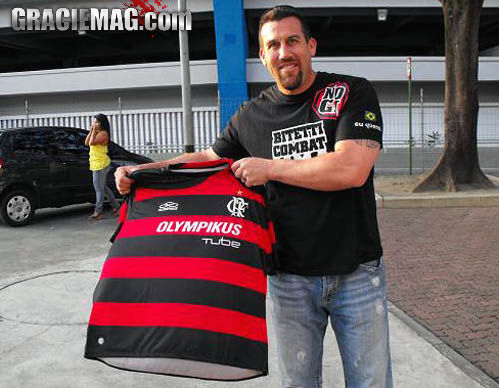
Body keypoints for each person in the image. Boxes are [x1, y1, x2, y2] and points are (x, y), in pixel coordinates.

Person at [115, 5, 392, 387]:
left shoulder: (351, 91)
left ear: (311, 46)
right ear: (262, 56)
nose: (284, 52)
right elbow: (207, 159)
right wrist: (142, 172)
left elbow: (351, 169)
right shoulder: (250, 116)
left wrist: (270, 167)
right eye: (273, 45)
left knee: (371, 383)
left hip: (357, 274)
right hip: (289, 279)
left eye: (293, 41)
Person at [85, 113, 120, 220]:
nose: (94, 124)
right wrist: (91, 130)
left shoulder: (103, 134)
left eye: (96, 122)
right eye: (93, 122)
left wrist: (94, 131)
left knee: (98, 188)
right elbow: (86, 142)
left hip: (102, 164)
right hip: (95, 163)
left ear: (102, 123)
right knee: (103, 187)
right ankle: (117, 207)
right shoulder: (96, 132)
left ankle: (98, 212)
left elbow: (91, 143)